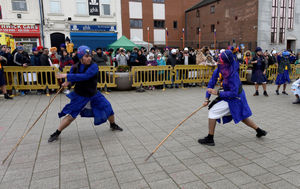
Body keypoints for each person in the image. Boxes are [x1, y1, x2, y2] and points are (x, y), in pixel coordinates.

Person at [48, 46, 123, 143]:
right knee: (71, 116)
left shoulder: (94, 66)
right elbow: (73, 80)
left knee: (107, 107)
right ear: (81, 57)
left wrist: (67, 75)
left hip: (93, 94)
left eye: (90, 56)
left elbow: (86, 76)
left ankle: (112, 124)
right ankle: (57, 133)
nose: (89, 58)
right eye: (86, 56)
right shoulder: (74, 67)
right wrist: (68, 82)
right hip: (80, 95)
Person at [198, 50, 267, 146]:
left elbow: (234, 93)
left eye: (220, 60)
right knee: (242, 116)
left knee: (213, 112)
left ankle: (210, 138)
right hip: (229, 96)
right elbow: (212, 82)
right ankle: (259, 131)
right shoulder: (220, 67)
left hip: (236, 98)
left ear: (226, 61)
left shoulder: (233, 74)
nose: (218, 61)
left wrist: (218, 93)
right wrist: (206, 98)